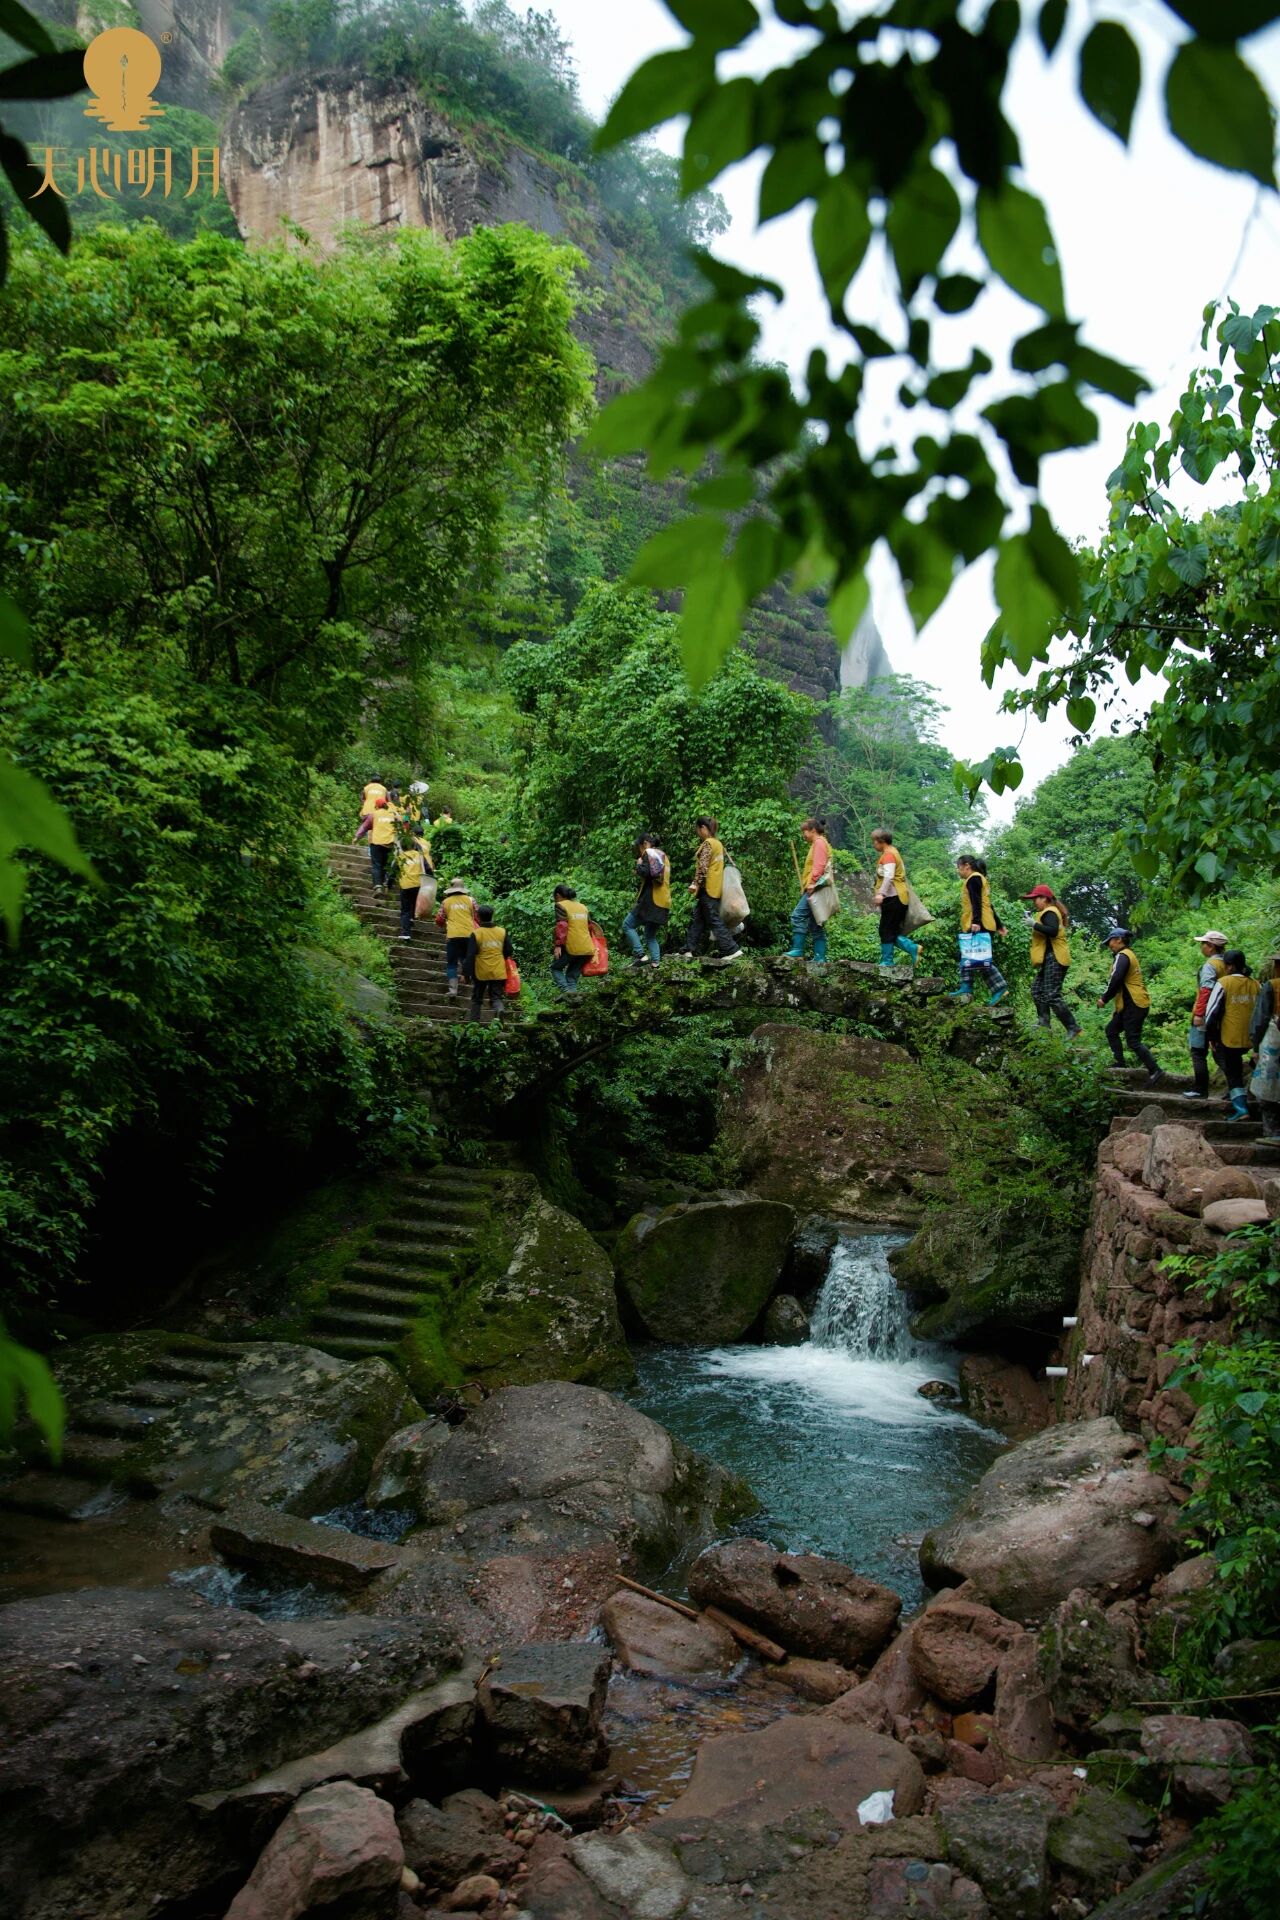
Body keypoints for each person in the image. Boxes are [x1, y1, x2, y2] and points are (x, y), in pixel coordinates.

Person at [1097, 927, 1162, 1086]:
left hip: (1134, 1003)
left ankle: (1155, 1070)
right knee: (1111, 1030)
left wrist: (1104, 998)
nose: (1109, 945)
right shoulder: (1127, 954)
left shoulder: (1123, 955)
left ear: (1119, 939)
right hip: (1129, 1004)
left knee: (1133, 1040)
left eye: (1110, 941)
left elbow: (1116, 979)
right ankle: (1120, 1064)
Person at [1205, 950, 1261, 1123]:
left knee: (1233, 1072)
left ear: (1229, 966)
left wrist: (1211, 1036)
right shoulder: (1255, 984)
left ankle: (1241, 1109)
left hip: (1230, 1035)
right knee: (1247, 1067)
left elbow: (1212, 1011)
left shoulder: (1224, 983)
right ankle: (1248, 1095)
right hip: (1252, 1035)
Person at [679, 817, 742, 966]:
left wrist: (695, 883)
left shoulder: (708, 844)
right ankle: (688, 949)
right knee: (698, 919)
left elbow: (703, 867)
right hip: (714, 888)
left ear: (703, 828)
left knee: (713, 920)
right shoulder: (718, 844)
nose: (698, 833)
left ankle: (731, 949)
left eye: (698, 829)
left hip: (708, 888)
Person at [1023, 884, 1082, 1036]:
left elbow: (1053, 931)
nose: (1034, 902)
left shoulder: (1050, 911)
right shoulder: (1047, 912)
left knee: (1051, 994)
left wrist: (1034, 924)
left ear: (1044, 898)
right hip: (1048, 957)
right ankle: (1044, 1024)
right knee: (1037, 990)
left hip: (1055, 957)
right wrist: (1034, 923)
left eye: (1036, 898)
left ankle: (1073, 1028)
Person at [949, 855, 1008, 1005]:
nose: (958, 870)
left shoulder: (974, 878)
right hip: (985, 922)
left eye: (959, 867)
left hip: (979, 923)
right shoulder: (979, 879)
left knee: (981, 958)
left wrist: (976, 921)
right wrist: (999, 925)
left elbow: (976, 902)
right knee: (968, 954)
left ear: (966, 866)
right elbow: (988, 905)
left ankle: (999, 987)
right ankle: (966, 986)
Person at [1182, 929, 1229, 1102]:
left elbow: (1205, 990)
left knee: (1198, 1051)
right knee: (1221, 1053)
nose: (1201, 946)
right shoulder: (1228, 964)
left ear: (1210, 946)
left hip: (1207, 1013)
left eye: (1203, 943)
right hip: (1224, 1015)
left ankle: (1201, 1090)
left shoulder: (1210, 965)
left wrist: (1199, 1014)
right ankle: (1236, 1088)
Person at [869, 828, 918, 972]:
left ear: (881, 841)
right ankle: (911, 949)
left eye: (874, 841)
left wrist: (881, 894)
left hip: (894, 897)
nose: (873, 844)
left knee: (886, 929)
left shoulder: (889, 854)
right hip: (895, 897)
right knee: (888, 930)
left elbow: (889, 876)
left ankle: (888, 960)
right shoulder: (891, 852)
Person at [787, 816, 833, 963]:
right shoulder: (820, 842)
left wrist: (812, 883)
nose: (804, 835)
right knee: (816, 923)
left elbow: (819, 866)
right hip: (817, 887)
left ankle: (798, 950)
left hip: (815, 887)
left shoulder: (819, 842)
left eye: (805, 832)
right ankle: (820, 957)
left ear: (813, 830)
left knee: (798, 915)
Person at [623, 834, 671, 968]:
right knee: (650, 935)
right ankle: (656, 963)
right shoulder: (664, 856)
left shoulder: (649, 853)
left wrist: (639, 865)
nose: (640, 852)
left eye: (639, 848)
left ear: (644, 844)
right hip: (664, 901)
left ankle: (641, 955)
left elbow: (647, 872)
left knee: (627, 925)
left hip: (650, 900)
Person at [1248, 955, 1280, 1142]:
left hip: (1274, 1041)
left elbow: (1260, 1019)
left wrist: (1255, 1046)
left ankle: (1272, 1131)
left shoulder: (1272, 986)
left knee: (1267, 1085)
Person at [463, 905, 512, 1024]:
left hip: (481, 971)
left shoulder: (476, 934)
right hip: (498, 970)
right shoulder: (502, 932)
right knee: (496, 997)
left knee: (477, 998)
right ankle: (499, 1010)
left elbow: (470, 955)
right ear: (492, 916)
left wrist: (466, 974)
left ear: (478, 917)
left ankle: (474, 1024)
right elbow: (509, 950)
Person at [434, 877, 477, 998]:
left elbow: (439, 919)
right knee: (466, 958)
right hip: (469, 934)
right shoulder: (471, 900)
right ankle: (467, 977)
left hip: (452, 935)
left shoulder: (446, 902)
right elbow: (477, 916)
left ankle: (453, 990)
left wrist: (444, 924)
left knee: (452, 963)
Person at [352, 793, 400, 895]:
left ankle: (378, 887)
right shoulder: (393, 815)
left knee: (377, 865)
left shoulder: (373, 815)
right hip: (390, 844)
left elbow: (364, 827)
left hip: (377, 843)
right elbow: (404, 821)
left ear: (377, 806)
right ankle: (384, 884)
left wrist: (357, 838)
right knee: (385, 865)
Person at [552, 884, 595, 994]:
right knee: (572, 976)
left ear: (558, 895)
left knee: (555, 968)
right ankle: (573, 996)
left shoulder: (560, 905)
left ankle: (566, 991)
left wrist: (558, 945)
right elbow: (590, 926)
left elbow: (562, 926)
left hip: (571, 946)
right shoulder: (583, 907)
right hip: (586, 947)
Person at [394, 827, 432, 943]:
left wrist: (389, 884)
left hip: (405, 885)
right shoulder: (419, 856)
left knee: (405, 909)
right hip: (418, 884)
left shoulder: (400, 857)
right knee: (414, 903)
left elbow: (393, 872)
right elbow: (428, 869)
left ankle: (406, 933)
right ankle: (411, 918)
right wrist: (431, 880)